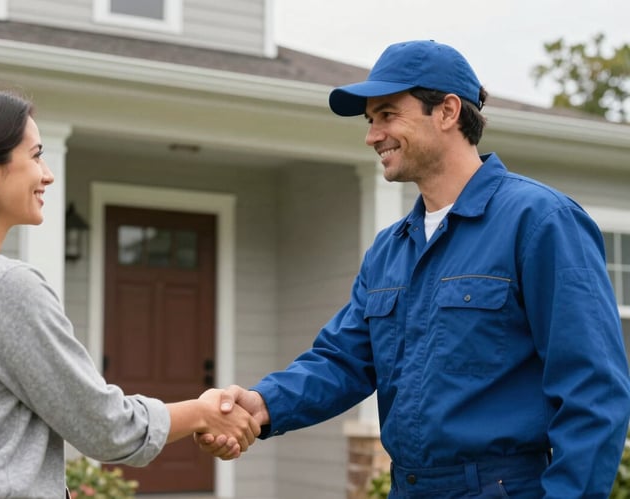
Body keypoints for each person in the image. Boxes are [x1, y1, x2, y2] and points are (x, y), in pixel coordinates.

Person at [198, 40, 630, 497]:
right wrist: (262, 404)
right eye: (370, 121)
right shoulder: (390, 249)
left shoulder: (540, 222)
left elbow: (593, 392)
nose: (372, 135)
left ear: (446, 111)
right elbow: (343, 361)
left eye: (387, 115)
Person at [0, 86, 259, 499]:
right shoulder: (3, 287)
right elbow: (107, 428)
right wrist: (203, 412)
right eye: (35, 155)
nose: (47, 174)